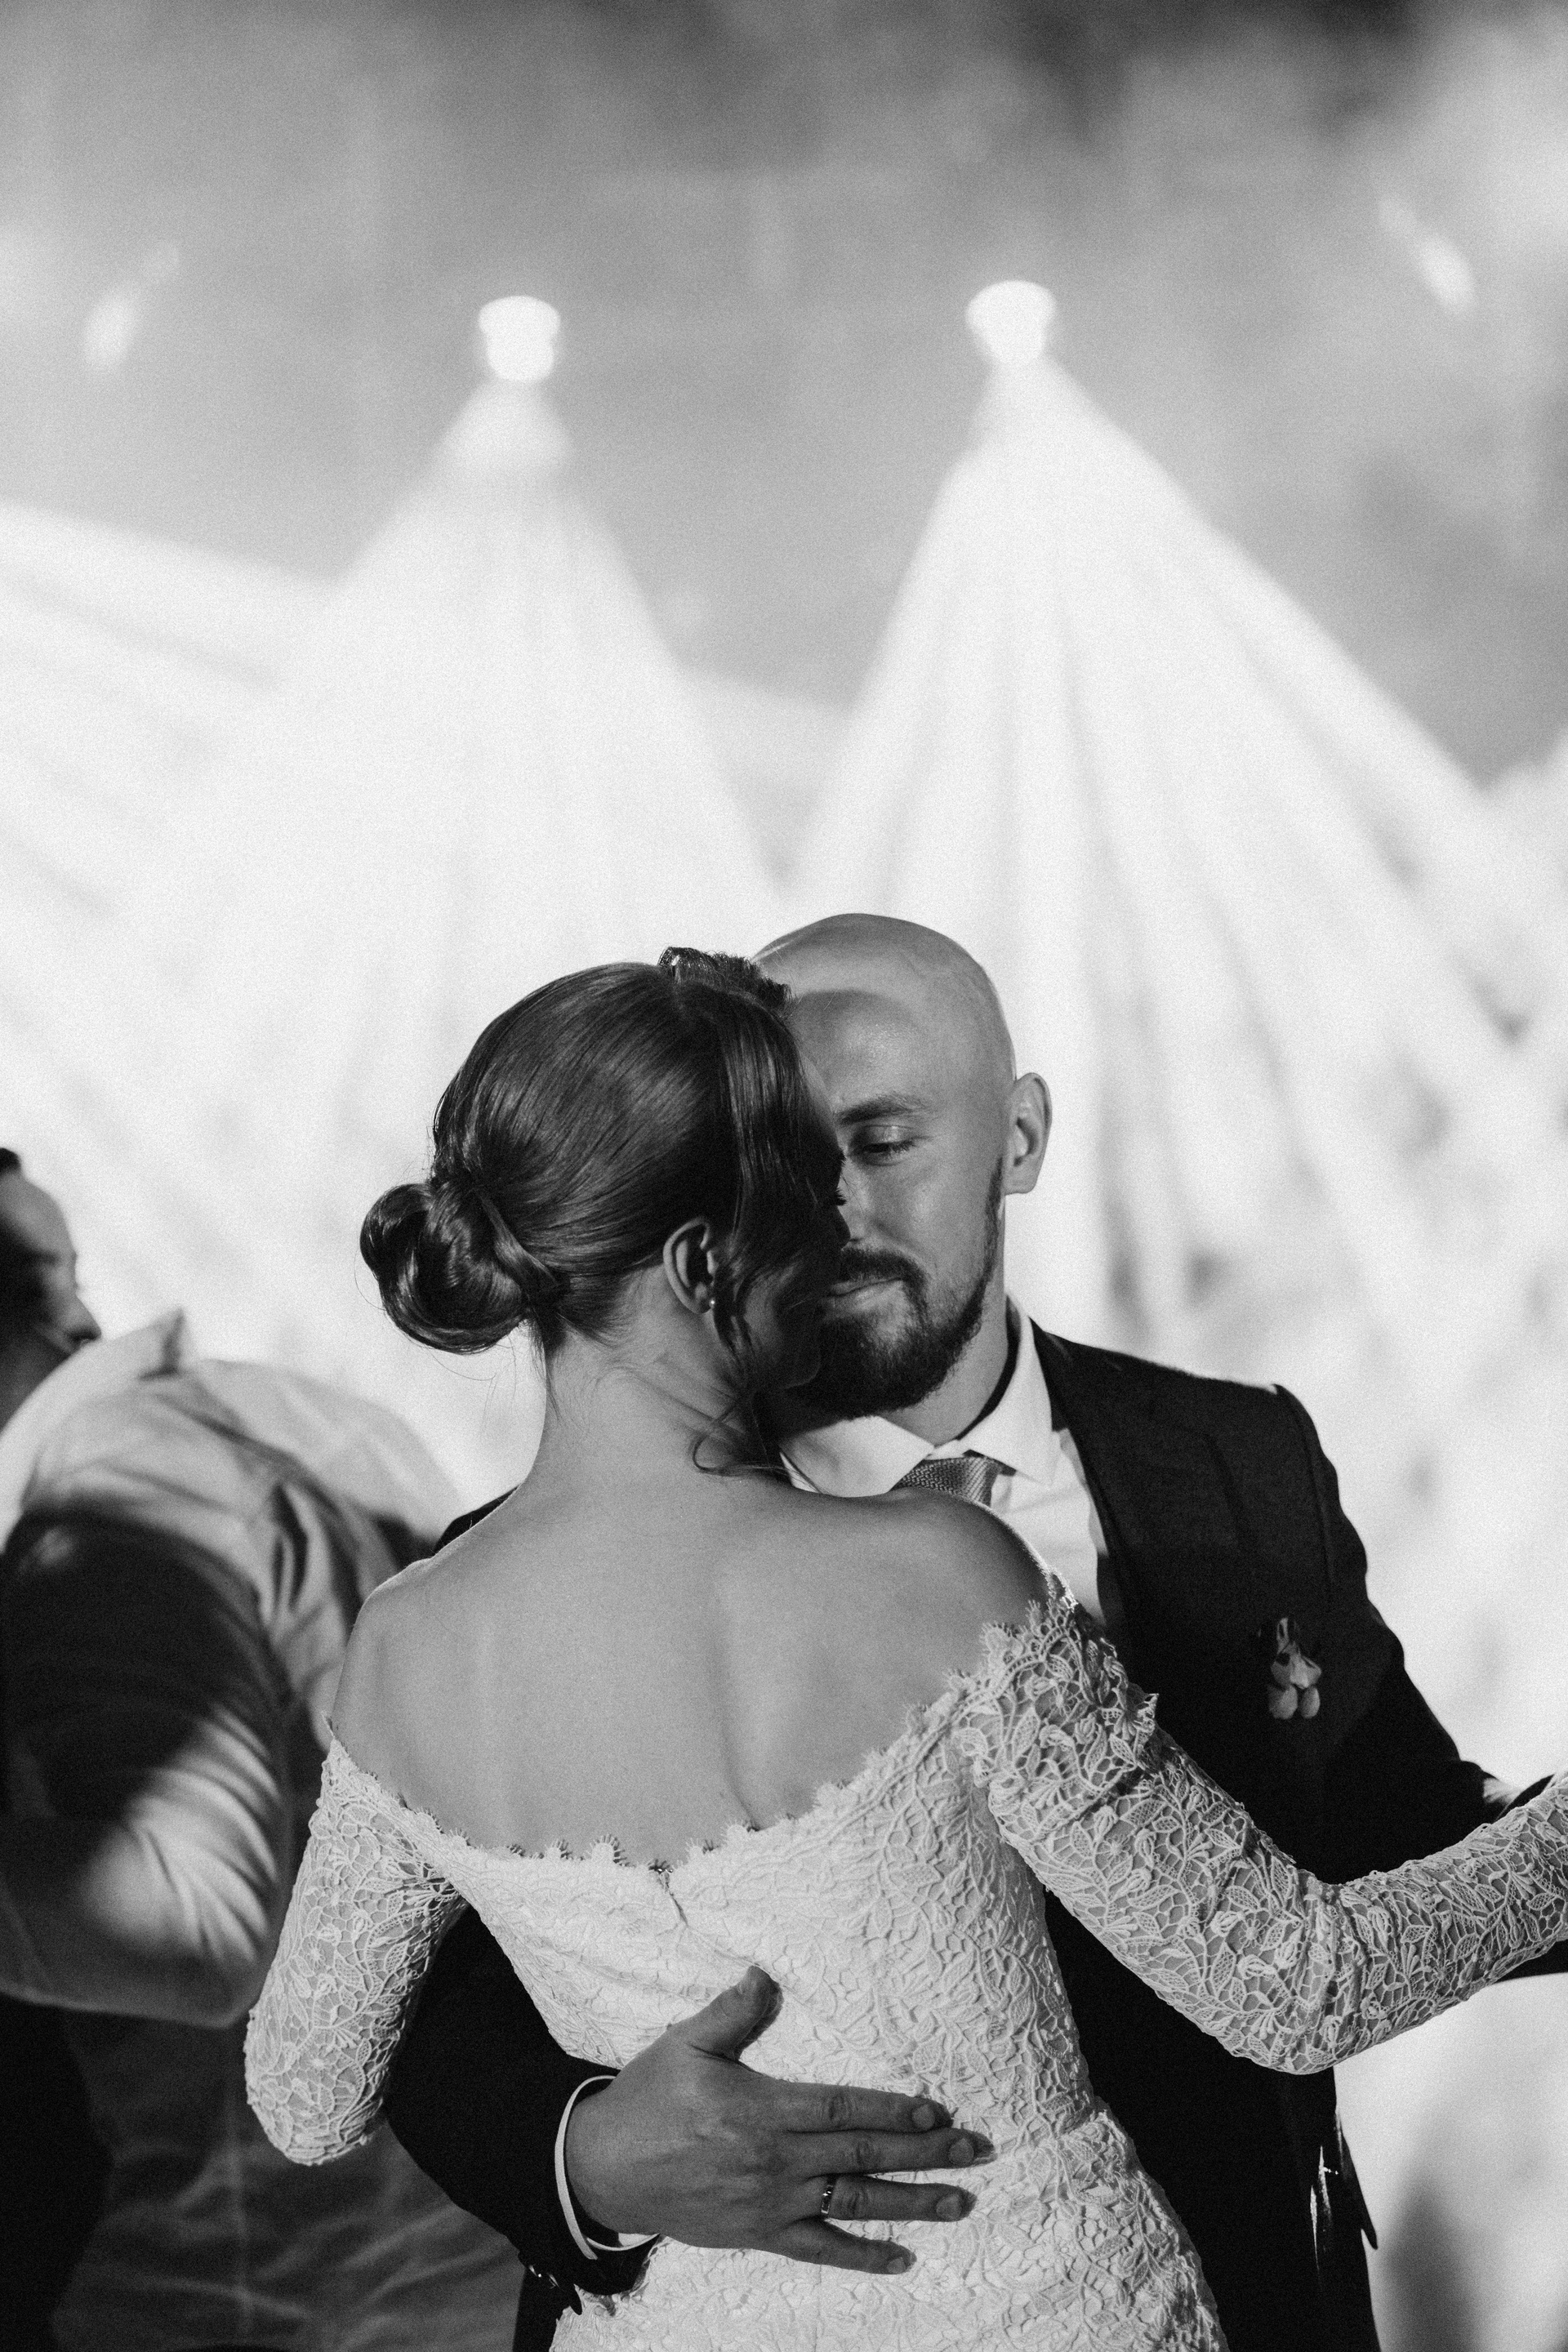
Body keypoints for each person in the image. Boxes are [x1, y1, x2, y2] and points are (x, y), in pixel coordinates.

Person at [246, 949, 1568, 2352]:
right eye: (801, 1191)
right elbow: (1299, 1986)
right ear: (703, 1261)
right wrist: (586, 2154)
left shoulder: (406, 1641)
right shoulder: (941, 1577)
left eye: (874, 1149)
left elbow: (304, 2095)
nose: (835, 1231)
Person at [0, 1150, 522, 2351]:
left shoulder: (118, 1489)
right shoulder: (315, 1420)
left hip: (250, 2286)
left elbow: (195, 1927)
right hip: (457, 2249)